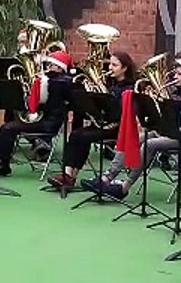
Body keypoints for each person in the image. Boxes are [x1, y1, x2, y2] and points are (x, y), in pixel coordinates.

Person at [90, 55, 181, 199]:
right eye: (175, 73)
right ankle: (107, 177)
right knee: (133, 140)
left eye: (180, 74)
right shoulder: (177, 90)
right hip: (169, 132)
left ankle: (125, 187)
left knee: (150, 144)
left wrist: (168, 103)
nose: (175, 77)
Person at [0, 50, 76, 179]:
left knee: (8, 128)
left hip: (49, 123)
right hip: (40, 118)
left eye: (52, 65)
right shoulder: (48, 80)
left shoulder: (63, 82)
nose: (48, 68)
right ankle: (0, 162)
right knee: (8, 125)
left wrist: (43, 83)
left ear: (60, 67)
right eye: (48, 65)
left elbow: (51, 100)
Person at [47, 51, 136, 190]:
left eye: (115, 65)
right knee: (76, 134)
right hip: (104, 124)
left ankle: (71, 177)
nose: (110, 68)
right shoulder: (111, 84)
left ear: (124, 68)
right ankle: (68, 174)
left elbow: (121, 113)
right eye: (110, 64)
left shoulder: (130, 88)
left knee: (84, 137)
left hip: (118, 128)